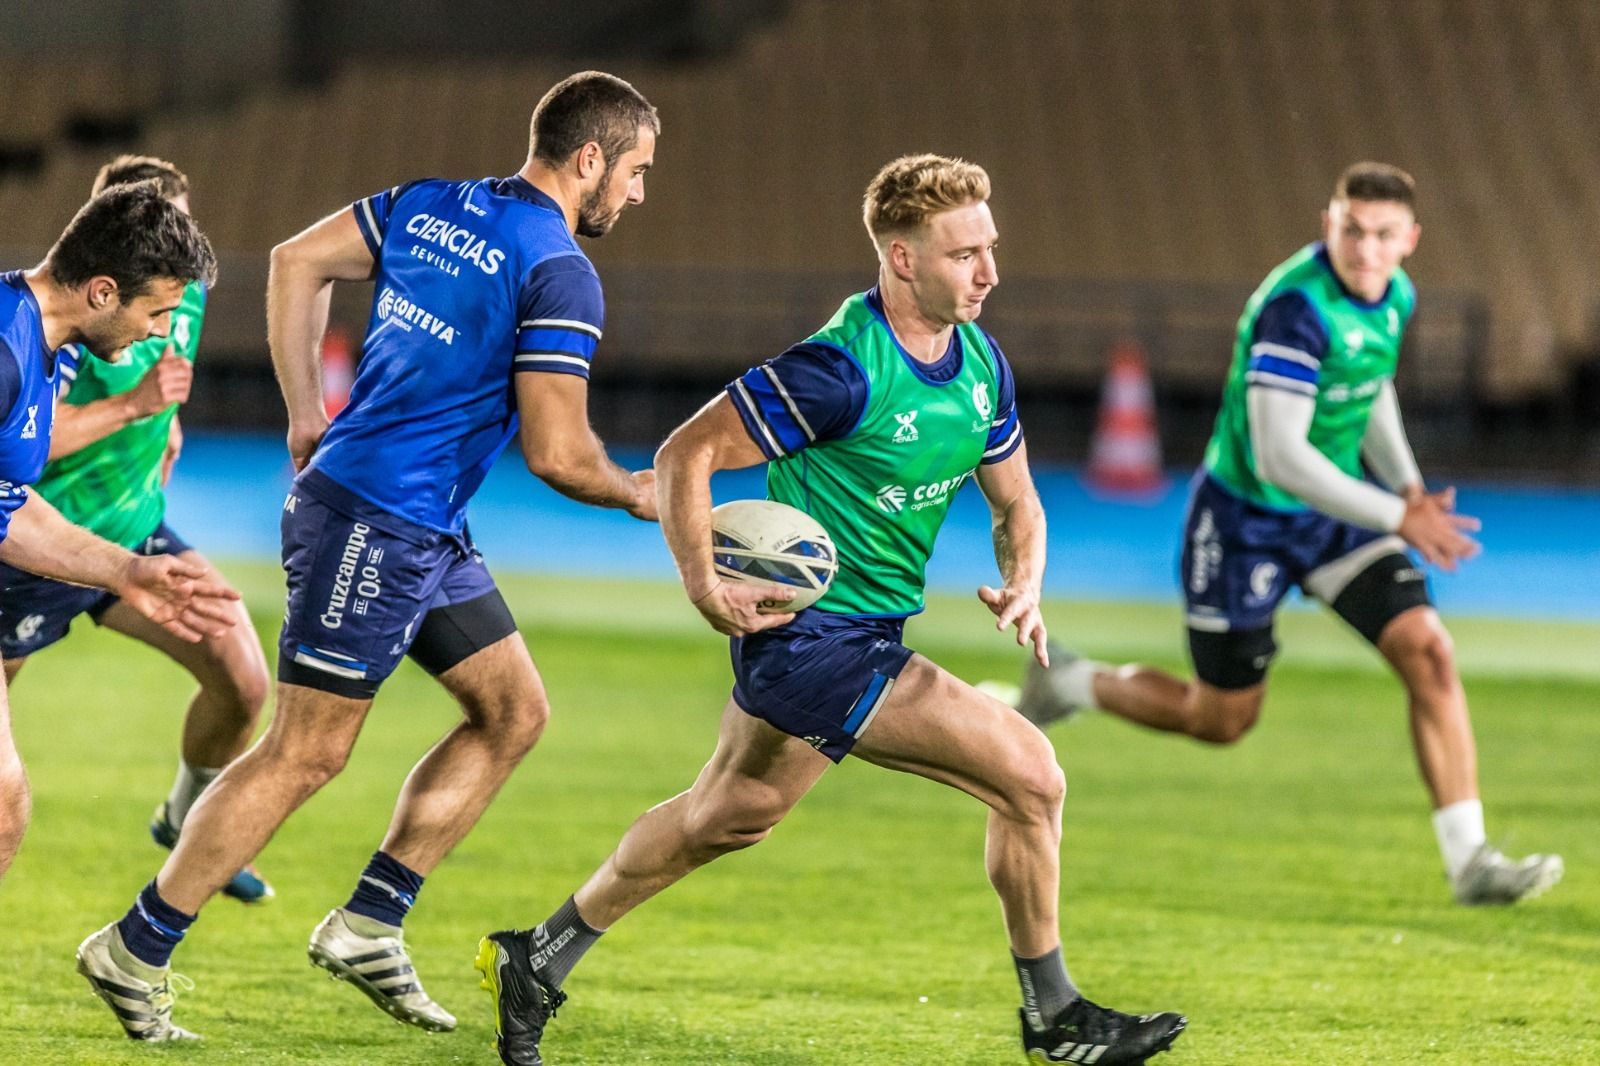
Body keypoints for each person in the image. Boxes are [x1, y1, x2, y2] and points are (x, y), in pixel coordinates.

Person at [476, 154, 1187, 1066]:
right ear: (902, 259)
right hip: (811, 642)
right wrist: (705, 585)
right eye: (964, 254)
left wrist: (1026, 583)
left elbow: (1018, 504)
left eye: (990, 248)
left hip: (867, 632)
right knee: (1031, 776)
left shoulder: (980, 364)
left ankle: (537, 958)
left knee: (726, 815)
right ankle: (1055, 1018)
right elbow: (687, 452)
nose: (989, 272)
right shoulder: (838, 370)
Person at [76, 70, 660, 1044]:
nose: (638, 193)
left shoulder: (431, 204)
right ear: (590, 157)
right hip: (375, 522)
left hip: (420, 524)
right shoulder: (560, 270)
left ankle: (370, 922)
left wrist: (306, 412)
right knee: (306, 749)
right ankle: (134, 949)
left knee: (513, 711)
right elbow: (559, 453)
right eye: (636, 170)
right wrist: (642, 493)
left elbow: (297, 260)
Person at [1011, 162, 1562, 907]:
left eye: (1384, 235)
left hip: (1333, 517)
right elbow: (1280, 458)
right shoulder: (1294, 309)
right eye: (1352, 230)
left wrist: (1406, 485)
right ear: (1328, 223)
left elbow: (1367, 387)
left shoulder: (1394, 295)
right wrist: (1398, 515)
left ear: (1411, 240)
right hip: (1245, 525)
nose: (1366, 249)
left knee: (1429, 650)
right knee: (1221, 719)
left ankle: (1472, 864)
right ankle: (1069, 682)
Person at [0, 155, 272, 905]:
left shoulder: (52, 338)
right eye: (154, 312)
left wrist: (127, 568)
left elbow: (8, 502)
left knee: (4, 808)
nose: (163, 329)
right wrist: (131, 408)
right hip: (26, 570)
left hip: (115, 534)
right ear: (103, 287)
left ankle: (189, 818)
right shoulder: (15, 350)